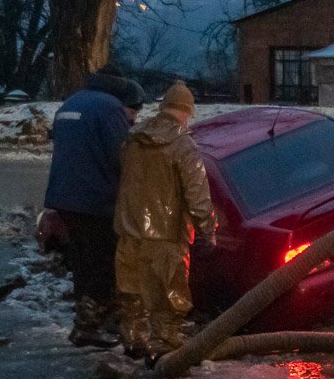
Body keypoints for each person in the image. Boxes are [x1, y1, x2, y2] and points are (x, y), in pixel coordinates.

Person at [44, 64, 146, 347]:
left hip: (63, 197)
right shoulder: (110, 107)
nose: (134, 119)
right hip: (95, 200)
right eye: (134, 113)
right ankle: (89, 326)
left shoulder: (72, 101)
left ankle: (88, 321)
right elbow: (122, 155)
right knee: (104, 263)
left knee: (82, 261)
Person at [114, 81, 216, 362]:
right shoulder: (183, 145)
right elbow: (197, 194)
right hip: (167, 236)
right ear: (186, 111)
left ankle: (133, 341)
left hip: (129, 231)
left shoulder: (133, 139)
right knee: (169, 299)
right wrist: (207, 229)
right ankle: (165, 348)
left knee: (131, 293)